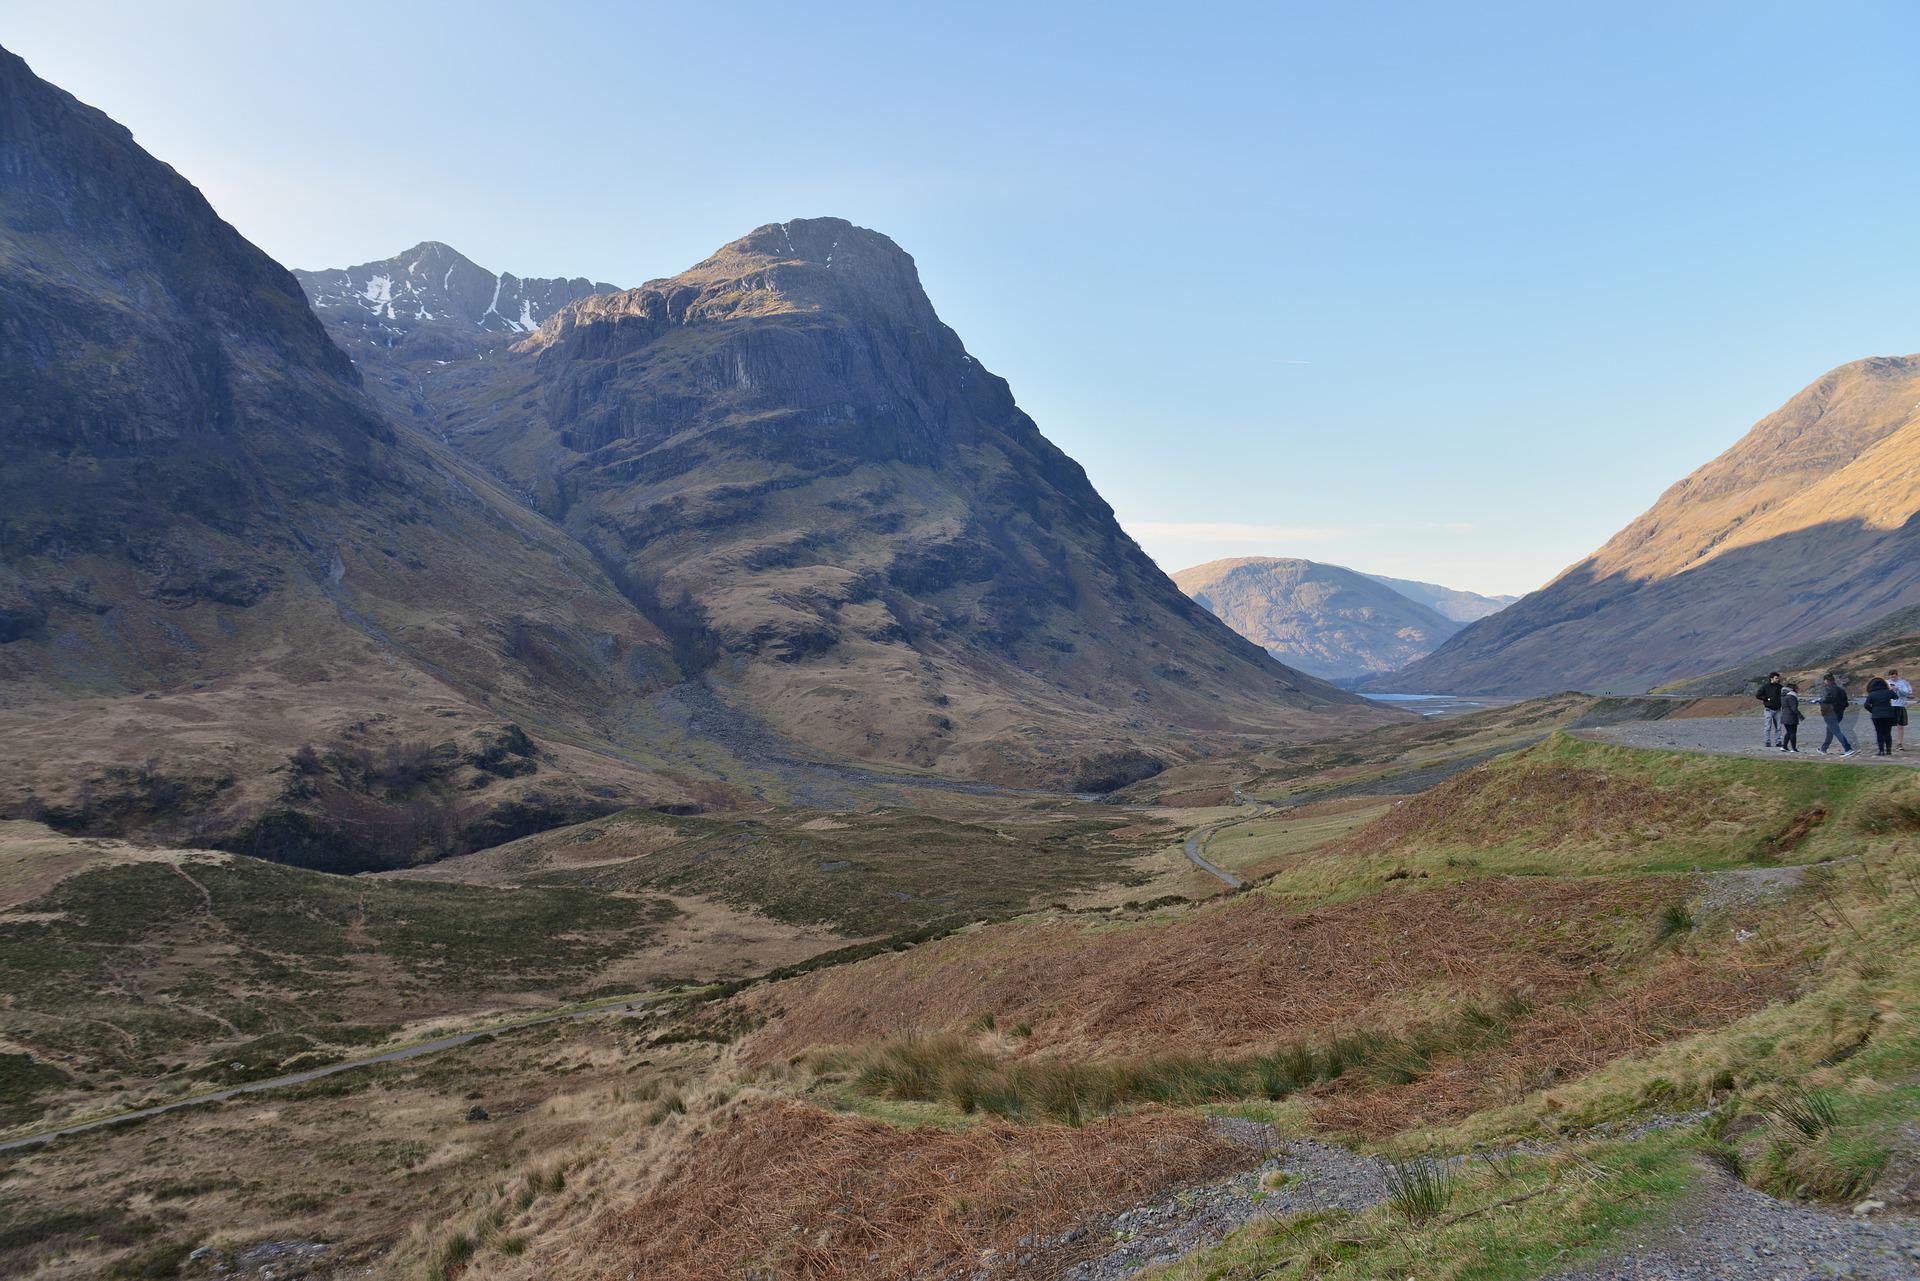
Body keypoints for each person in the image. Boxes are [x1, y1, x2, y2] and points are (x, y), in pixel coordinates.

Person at [1819, 673, 1855, 756]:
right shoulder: (1841, 690)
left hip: (1829, 713)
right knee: (1830, 730)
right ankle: (1823, 748)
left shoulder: (1826, 689)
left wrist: (1820, 701)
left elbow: (1824, 700)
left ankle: (1847, 748)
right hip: (1839, 713)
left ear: (1826, 681)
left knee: (1836, 731)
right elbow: (1846, 703)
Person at [1864, 677, 1898, 756]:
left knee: (1879, 732)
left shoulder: (1871, 694)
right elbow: (1896, 697)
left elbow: (1866, 705)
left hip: (1876, 715)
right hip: (1889, 715)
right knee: (1887, 733)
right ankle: (1889, 750)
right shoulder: (1888, 692)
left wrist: (1872, 710)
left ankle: (1881, 750)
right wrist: (1891, 689)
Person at [1755, 672, 1784, 747]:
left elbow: (1783, 696)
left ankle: (1778, 741)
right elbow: (1758, 695)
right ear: (1771, 678)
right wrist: (1766, 698)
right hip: (1768, 709)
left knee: (1779, 727)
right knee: (1768, 726)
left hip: (1778, 709)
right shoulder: (1765, 687)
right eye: (1776, 678)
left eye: (1778, 678)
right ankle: (1767, 741)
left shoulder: (1780, 687)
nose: (1778, 679)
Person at [1891, 669, 1912, 752]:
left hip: (1900, 705)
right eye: (1891, 675)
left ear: (1897, 675)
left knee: (1900, 726)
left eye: (1894, 675)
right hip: (1890, 706)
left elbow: (1908, 692)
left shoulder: (1904, 682)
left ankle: (1900, 743)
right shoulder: (1886, 682)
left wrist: (1898, 689)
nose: (1893, 676)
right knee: (1887, 726)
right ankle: (1886, 742)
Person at [1779, 682, 1802, 753]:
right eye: (1796, 688)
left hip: (1784, 715)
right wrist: (1800, 716)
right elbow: (1794, 708)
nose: (1798, 689)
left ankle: (1784, 746)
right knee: (1793, 732)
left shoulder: (1783, 695)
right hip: (1791, 716)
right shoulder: (1792, 696)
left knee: (1788, 732)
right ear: (1793, 689)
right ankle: (1793, 748)